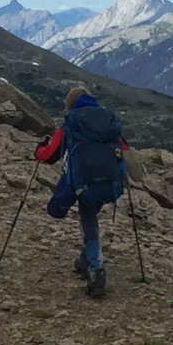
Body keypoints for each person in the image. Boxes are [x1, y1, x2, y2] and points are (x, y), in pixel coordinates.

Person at [34, 85, 129, 298]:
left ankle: (96, 270)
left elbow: (50, 154)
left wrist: (38, 150)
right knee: (90, 215)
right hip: (109, 180)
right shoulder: (107, 119)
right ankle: (86, 259)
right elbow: (123, 147)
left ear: (69, 103)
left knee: (86, 218)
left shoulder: (72, 121)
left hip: (83, 180)